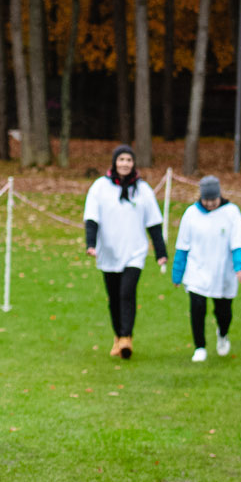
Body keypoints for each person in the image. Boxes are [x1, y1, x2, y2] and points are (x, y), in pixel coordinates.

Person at [82, 144, 168, 359]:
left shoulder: (143, 190)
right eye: (121, 160)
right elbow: (91, 218)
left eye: (128, 160)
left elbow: (154, 223)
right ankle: (118, 336)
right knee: (114, 297)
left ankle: (126, 337)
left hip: (135, 252)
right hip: (108, 252)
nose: (125, 164)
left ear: (133, 163)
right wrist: (91, 244)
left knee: (127, 293)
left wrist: (161, 253)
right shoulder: (100, 187)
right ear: (114, 162)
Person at [171, 175, 241, 362]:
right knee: (197, 308)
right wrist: (177, 274)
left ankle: (222, 334)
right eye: (206, 200)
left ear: (219, 196)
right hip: (197, 270)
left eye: (213, 199)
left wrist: (239, 268)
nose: (210, 204)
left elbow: (239, 243)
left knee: (224, 312)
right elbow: (182, 246)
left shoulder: (231, 213)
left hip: (223, 271)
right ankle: (200, 347)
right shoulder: (191, 214)